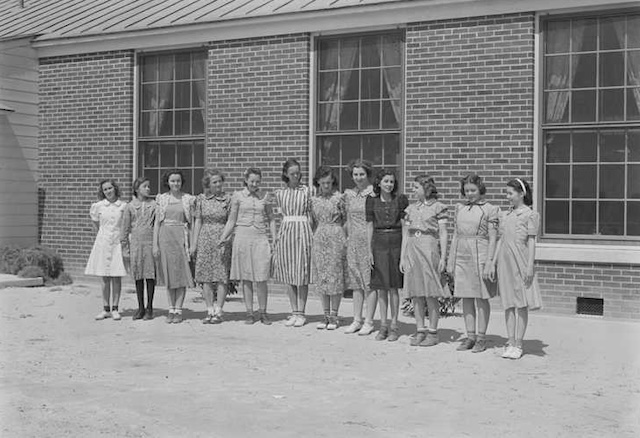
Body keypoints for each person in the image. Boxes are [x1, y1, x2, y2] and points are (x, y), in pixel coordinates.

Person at [489, 178, 543, 359]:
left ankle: (519, 343)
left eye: (510, 193)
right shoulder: (505, 215)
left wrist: (529, 265)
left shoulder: (530, 215)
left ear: (521, 194)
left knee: (521, 304)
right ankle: (510, 341)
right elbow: (500, 240)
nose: (507, 197)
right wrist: (494, 261)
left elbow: (532, 241)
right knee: (508, 304)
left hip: (520, 261)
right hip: (505, 263)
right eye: (507, 193)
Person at [447, 174, 499, 353]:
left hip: (480, 252)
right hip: (462, 253)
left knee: (481, 297)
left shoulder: (490, 209)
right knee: (466, 296)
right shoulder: (459, 208)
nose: (469, 194)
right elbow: (455, 234)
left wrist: (490, 261)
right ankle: (470, 336)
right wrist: (450, 260)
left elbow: (493, 238)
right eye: (466, 190)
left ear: (480, 189)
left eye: (473, 190)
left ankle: (481, 338)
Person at [220, 167, 276, 325]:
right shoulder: (237, 196)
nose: (255, 184)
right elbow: (231, 220)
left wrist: (274, 237)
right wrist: (224, 237)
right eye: (252, 181)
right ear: (246, 180)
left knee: (262, 276)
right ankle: (249, 312)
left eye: (258, 181)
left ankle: (263, 311)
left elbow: (271, 218)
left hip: (260, 238)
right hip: (242, 237)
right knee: (246, 278)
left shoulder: (265, 196)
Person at [400, 175, 449, 346]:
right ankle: (420, 329)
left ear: (426, 188)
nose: (413, 190)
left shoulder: (437, 207)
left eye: (415, 187)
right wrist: (403, 256)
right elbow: (406, 234)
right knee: (416, 292)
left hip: (429, 248)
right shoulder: (410, 209)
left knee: (430, 291)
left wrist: (443, 256)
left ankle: (433, 332)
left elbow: (443, 233)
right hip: (413, 249)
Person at [365, 169, 408, 342]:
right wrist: (369, 250)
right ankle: (383, 325)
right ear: (379, 183)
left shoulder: (400, 200)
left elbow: (405, 227)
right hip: (379, 243)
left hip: (396, 242)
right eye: (386, 181)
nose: (389, 184)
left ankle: (394, 325)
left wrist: (404, 254)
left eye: (391, 181)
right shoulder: (371, 201)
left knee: (394, 287)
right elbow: (369, 226)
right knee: (381, 286)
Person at [272, 158, 313, 327]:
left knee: (301, 272)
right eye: (292, 173)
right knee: (289, 273)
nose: (296, 176)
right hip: (287, 231)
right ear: (286, 175)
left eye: (298, 172)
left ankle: (302, 312)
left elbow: (312, 214)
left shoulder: (307, 191)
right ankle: (294, 310)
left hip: (303, 230)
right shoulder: (280, 193)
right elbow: (277, 216)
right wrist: (277, 237)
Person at [153, 169, 195, 324]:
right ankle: (170, 308)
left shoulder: (188, 199)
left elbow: (191, 223)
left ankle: (179, 309)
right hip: (165, 237)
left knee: (181, 274)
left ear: (181, 182)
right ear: (168, 182)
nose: (175, 183)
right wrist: (155, 245)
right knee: (170, 275)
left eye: (178, 180)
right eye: (172, 181)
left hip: (181, 237)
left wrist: (191, 244)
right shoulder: (162, 199)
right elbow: (157, 223)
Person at [190, 169, 231, 324]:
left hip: (222, 238)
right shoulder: (201, 200)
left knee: (221, 276)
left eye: (220, 181)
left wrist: (226, 238)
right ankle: (209, 310)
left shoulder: (228, 199)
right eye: (215, 182)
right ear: (208, 184)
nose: (218, 184)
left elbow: (230, 221)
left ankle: (219, 310)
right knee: (205, 276)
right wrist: (194, 243)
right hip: (205, 238)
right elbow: (198, 221)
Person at [343, 160, 378, 335]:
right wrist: (347, 238)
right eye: (355, 174)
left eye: (361, 174)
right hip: (353, 242)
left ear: (368, 174)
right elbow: (348, 219)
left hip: (368, 241)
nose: (358, 178)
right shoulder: (349, 194)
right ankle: (357, 319)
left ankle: (369, 321)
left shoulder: (373, 194)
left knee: (369, 282)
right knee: (356, 282)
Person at [310, 166, 347, 330]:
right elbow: (311, 221)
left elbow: (346, 219)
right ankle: (325, 314)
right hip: (320, 237)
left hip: (336, 236)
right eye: (323, 180)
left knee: (335, 276)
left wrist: (344, 237)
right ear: (318, 181)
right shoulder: (313, 200)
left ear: (333, 180)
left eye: (329, 180)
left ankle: (334, 315)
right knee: (322, 276)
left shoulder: (340, 198)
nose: (326, 183)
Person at [85, 179, 127, 321]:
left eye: (110, 188)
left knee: (116, 276)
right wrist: (102, 236)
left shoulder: (123, 206)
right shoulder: (98, 206)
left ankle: (115, 308)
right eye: (105, 189)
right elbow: (95, 223)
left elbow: (126, 225)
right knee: (104, 276)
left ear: (115, 188)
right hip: (103, 242)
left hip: (117, 243)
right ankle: (105, 308)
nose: (108, 191)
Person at [121, 177, 157, 320]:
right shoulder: (130, 206)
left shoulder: (154, 205)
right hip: (136, 243)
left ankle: (150, 307)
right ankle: (140, 307)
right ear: (137, 189)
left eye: (148, 186)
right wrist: (125, 249)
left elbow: (157, 224)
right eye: (145, 186)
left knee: (149, 275)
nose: (148, 189)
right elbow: (124, 228)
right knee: (138, 275)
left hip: (150, 242)